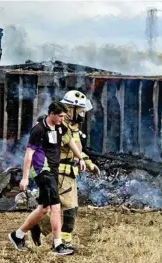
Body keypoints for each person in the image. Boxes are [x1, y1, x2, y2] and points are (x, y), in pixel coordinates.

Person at [8, 101, 87, 256]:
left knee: (44, 209)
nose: (63, 119)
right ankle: (58, 245)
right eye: (60, 116)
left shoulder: (60, 126)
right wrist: (25, 178)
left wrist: (81, 158)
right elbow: (28, 155)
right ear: (52, 114)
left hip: (53, 170)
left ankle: (17, 235)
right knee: (56, 206)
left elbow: (70, 141)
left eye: (64, 116)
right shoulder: (38, 130)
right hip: (42, 171)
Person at [31, 90, 101, 250]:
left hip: (69, 174)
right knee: (69, 210)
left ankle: (40, 227)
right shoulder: (58, 127)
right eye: (81, 110)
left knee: (63, 209)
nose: (83, 114)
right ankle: (60, 243)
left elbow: (76, 150)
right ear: (71, 109)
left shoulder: (73, 127)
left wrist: (89, 164)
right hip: (60, 173)